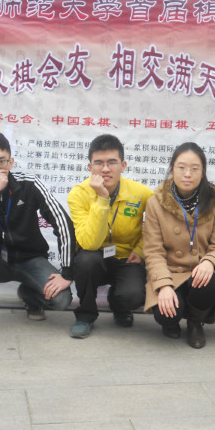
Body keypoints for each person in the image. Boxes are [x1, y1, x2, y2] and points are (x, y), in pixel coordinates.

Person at [0, 131, 75, 337]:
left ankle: (30, 295)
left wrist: (67, 273)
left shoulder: (29, 184)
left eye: (1, 161)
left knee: (61, 300)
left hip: (30, 259)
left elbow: (62, 222)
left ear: (11, 162)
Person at [143, 142, 215, 349]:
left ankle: (195, 323)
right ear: (172, 169)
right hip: (170, 272)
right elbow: (153, 252)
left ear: (203, 172)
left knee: (208, 282)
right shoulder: (156, 202)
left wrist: (210, 262)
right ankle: (171, 322)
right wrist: (163, 286)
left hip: (199, 271)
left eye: (194, 168)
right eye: (181, 167)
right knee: (166, 314)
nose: (187, 174)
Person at [67, 134, 152, 339]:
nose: (105, 169)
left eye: (112, 162)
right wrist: (102, 199)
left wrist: (140, 250)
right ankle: (85, 315)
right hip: (95, 257)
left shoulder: (140, 193)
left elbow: (156, 226)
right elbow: (89, 243)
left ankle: (119, 305)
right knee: (86, 260)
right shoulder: (78, 194)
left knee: (133, 295)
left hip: (126, 258)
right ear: (90, 167)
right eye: (99, 163)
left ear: (123, 165)